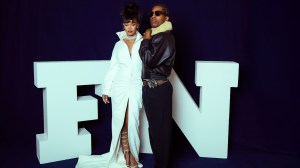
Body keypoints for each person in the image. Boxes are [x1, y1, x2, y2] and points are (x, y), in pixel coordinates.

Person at [76, 2, 143, 168]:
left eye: (133, 24)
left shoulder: (144, 43)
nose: (129, 27)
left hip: (136, 86)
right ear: (123, 25)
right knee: (119, 120)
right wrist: (106, 90)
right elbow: (112, 69)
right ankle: (128, 155)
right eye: (126, 24)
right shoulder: (118, 45)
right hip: (119, 87)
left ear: (137, 24)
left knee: (132, 121)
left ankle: (131, 152)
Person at [139, 4, 176, 168]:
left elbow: (149, 59)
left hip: (158, 89)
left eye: (158, 13)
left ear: (166, 18)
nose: (153, 16)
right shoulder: (157, 36)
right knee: (155, 131)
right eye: (151, 13)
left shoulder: (163, 37)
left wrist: (145, 40)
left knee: (159, 132)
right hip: (151, 89)